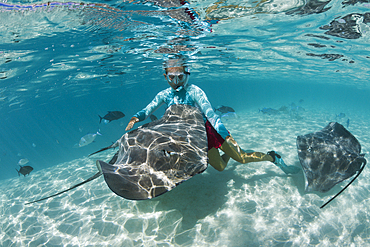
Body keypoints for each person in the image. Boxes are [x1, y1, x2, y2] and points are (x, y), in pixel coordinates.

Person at [125, 58, 299, 174]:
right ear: (165, 77)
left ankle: (273, 157)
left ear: (186, 74)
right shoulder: (164, 95)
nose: (176, 82)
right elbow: (149, 109)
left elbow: (209, 112)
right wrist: (135, 118)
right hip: (192, 139)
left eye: (180, 77)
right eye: (171, 78)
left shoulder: (195, 91)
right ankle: (228, 153)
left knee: (242, 158)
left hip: (210, 131)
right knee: (221, 168)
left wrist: (223, 133)